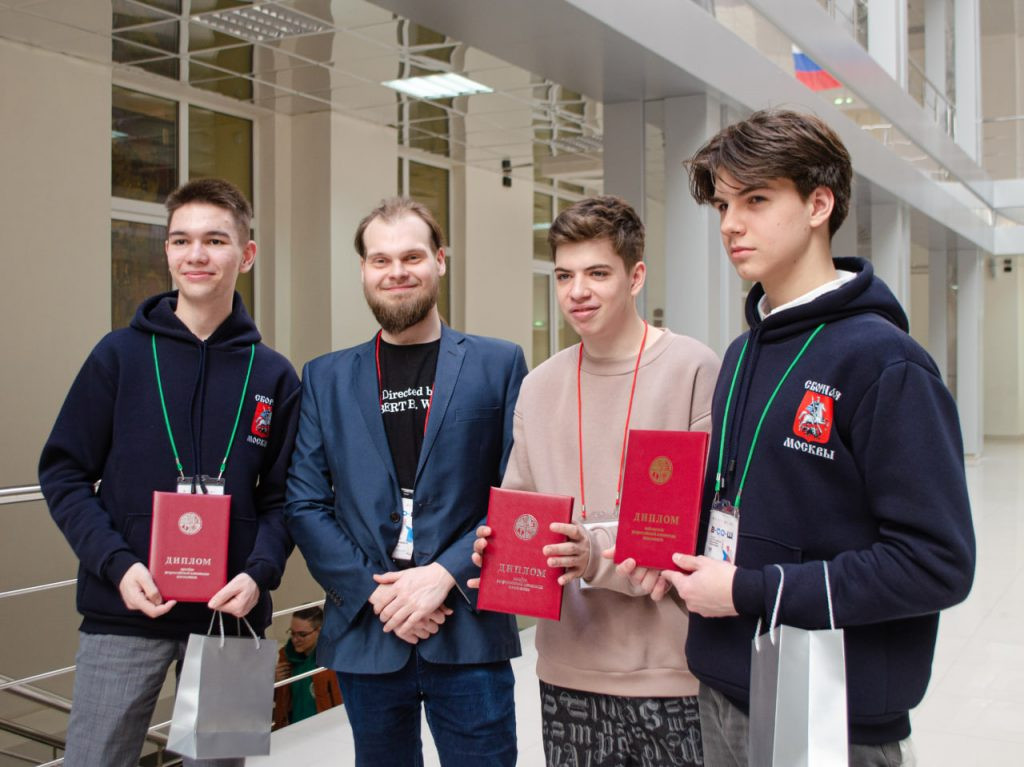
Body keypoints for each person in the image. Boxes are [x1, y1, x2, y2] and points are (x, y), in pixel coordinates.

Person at [645, 109, 976, 766]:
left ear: (819, 204)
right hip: (724, 685)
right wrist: (675, 556)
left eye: (756, 200)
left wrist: (749, 590)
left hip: (832, 710)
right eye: (723, 205)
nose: (730, 224)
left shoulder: (886, 363)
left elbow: (936, 562)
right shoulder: (742, 353)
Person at [39, 178, 301, 767]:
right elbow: (63, 473)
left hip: (232, 618)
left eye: (215, 240)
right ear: (167, 252)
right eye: (181, 240)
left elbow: (287, 497)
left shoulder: (274, 375)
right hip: (125, 608)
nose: (196, 255)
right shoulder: (118, 356)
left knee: (220, 763)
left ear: (247, 254)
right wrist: (117, 563)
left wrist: (259, 574)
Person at [471, 196, 720, 767]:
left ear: (636, 276)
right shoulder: (539, 386)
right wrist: (502, 548)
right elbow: (524, 506)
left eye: (597, 273)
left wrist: (592, 556)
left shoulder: (693, 369)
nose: (577, 291)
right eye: (564, 275)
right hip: (569, 671)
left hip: (673, 674)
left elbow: (697, 531)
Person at [284, 197, 528, 767]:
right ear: (364, 271)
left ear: (440, 260)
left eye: (412, 257)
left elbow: (519, 493)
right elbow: (305, 503)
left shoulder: (497, 364)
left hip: (467, 625)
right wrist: (381, 594)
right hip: (369, 629)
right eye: (381, 260)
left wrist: (443, 575)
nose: (396, 272)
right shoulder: (325, 378)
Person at [273, 606, 342, 729]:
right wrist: (274, 682)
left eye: (302, 634)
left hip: (325, 731)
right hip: (292, 732)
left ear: (319, 631)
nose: (295, 639)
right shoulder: (286, 659)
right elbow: (278, 704)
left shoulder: (333, 661)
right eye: (292, 633)